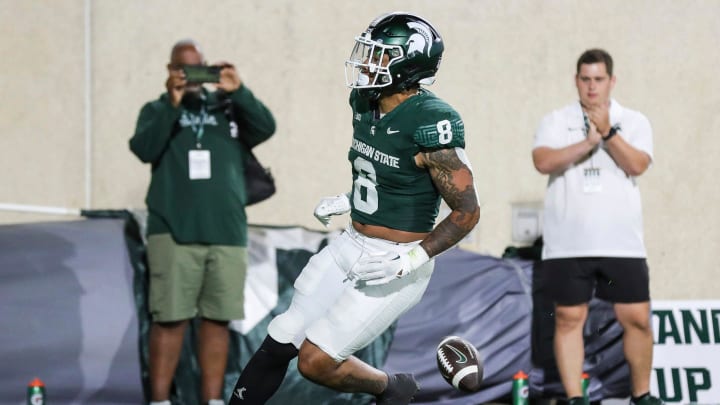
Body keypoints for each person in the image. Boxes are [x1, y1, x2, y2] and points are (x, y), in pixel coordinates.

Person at [228, 12, 479, 405]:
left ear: (408, 65)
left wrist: (412, 259)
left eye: (380, 56)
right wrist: (349, 198)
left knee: (315, 362)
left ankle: (390, 387)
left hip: (395, 261)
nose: (366, 63)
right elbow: (389, 170)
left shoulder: (432, 122)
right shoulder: (364, 101)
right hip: (351, 241)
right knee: (281, 336)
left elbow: (467, 213)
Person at [129, 39, 276, 405]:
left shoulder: (227, 107)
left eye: (197, 67)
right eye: (182, 68)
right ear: (169, 71)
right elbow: (143, 148)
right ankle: (160, 401)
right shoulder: (157, 109)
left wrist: (238, 91)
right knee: (170, 320)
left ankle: (212, 402)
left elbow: (265, 127)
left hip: (226, 231)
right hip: (173, 231)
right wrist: (171, 103)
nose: (189, 75)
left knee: (218, 320)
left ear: (208, 68)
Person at [532, 49, 662, 405]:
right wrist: (587, 142)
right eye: (585, 79)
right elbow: (543, 161)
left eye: (599, 79)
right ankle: (576, 397)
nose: (592, 87)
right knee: (568, 318)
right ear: (577, 81)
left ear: (611, 81)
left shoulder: (633, 120)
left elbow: (637, 165)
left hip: (622, 244)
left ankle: (642, 394)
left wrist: (608, 134)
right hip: (568, 243)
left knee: (636, 317)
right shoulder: (556, 121)